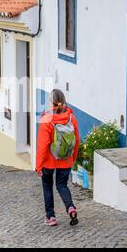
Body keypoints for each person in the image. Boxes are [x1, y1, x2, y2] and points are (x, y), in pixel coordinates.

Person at [36, 89, 80, 226]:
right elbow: (77, 140)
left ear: (51, 102)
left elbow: (43, 146)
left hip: (49, 162)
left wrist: (38, 166)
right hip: (66, 158)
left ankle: (51, 217)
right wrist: (73, 158)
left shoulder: (46, 119)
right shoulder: (71, 118)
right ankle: (70, 207)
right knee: (62, 185)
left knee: (47, 186)